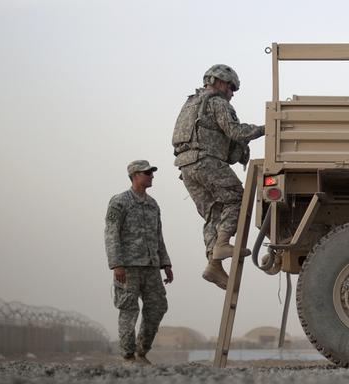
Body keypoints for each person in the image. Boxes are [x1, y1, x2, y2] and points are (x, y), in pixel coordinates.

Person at [172, 64, 265, 290]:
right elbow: (235, 131)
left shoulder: (191, 103)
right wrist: (266, 128)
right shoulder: (216, 102)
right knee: (237, 199)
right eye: (231, 88)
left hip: (186, 167)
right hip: (206, 161)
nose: (232, 93)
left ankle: (213, 264)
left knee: (214, 211)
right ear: (219, 82)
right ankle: (222, 244)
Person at [104, 160, 174, 365]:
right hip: (128, 267)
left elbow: (158, 235)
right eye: (147, 173)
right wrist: (116, 263)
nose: (151, 176)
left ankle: (142, 352)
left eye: (152, 172)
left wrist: (166, 264)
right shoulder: (119, 202)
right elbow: (111, 233)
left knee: (158, 306)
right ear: (135, 176)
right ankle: (128, 356)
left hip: (151, 267)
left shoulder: (153, 204)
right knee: (129, 310)